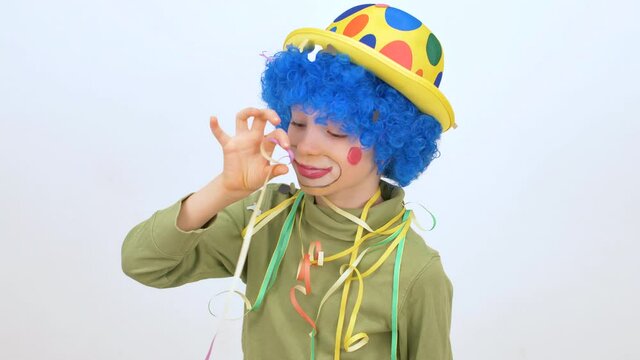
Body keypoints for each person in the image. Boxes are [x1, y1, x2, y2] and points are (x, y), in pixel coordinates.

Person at [122, 4, 456, 359]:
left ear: (389, 139)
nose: (306, 146)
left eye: (336, 130)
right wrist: (225, 188)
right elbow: (142, 263)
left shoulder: (417, 271)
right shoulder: (264, 216)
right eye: (297, 123)